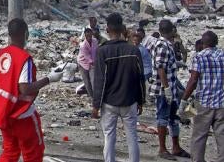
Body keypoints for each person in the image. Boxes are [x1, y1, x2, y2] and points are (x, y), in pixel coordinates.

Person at [0, 18, 64, 162]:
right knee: (33, 153)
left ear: (9, 34)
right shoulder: (24, 58)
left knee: (10, 151)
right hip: (22, 114)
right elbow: (25, 88)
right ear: (26, 34)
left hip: (4, 111)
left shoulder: (0, 54)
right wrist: (50, 78)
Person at [92, 13, 144, 162]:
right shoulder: (133, 51)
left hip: (109, 103)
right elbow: (140, 79)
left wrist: (96, 105)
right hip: (130, 101)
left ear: (107, 29)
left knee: (109, 138)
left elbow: (100, 81)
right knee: (132, 137)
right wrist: (141, 100)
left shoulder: (102, 51)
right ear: (123, 28)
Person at [143, 20, 191, 160]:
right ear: (172, 30)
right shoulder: (163, 45)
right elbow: (161, 68)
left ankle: (175, 147)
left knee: (174, 118)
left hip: (170, 87)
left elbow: (165, 64)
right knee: (163, 118)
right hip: (164, 90)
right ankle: (162, 149)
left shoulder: (164, 44)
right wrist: (167, 88)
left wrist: (177, 64)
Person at [181, 31, 224, 162]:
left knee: (199, 136)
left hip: (203, 103)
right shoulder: (223, 55)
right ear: (216, 42)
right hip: (222, 103)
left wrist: (183, 100)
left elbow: (193, 81)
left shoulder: (199, 57)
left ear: (203, 43)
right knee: (222, 136)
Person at [77, 28, 98, 99]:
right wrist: (95, 63)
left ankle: (96, 97)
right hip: (83, 63)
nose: (89, 38)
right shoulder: (83, 46)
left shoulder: (95, 41)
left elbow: (96, 51)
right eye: (87, 36)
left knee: (93, 80)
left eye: (90, 36)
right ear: (85, 36)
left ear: (92, 34)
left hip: (92, 62)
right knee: (87, 82)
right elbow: (87, 58)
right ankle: (92, 97)